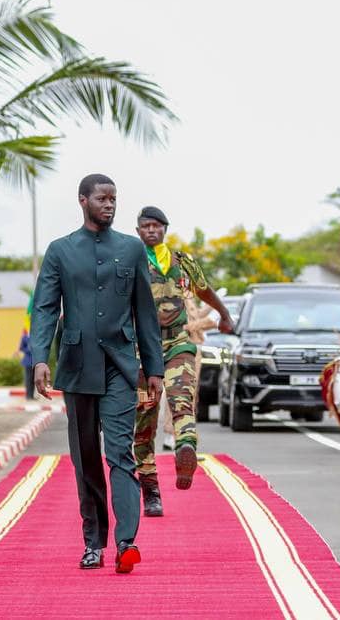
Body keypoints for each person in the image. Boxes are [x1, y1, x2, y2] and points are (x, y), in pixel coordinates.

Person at [30, 173, 164, 573]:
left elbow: (145, 312)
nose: (109, 204)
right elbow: (45, 309)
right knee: (86, 459)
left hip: (121, 367)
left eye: (114, 199)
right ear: (83, 200)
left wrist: (153, 366)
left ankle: (126, 542)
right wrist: (40, 358)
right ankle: (93, 542)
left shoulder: (132, 249)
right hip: (76, 367)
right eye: (102, 198)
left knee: (120, 453)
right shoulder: (60, 251)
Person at [132, 205, 234, 516]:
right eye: (145, 226)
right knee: (145, 419)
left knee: (182, 399)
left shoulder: (181, 261)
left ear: (165, 229)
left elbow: (204, 289)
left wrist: (224, 314)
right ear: (138, 231)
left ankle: (184, 449)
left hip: (178, 341)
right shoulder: (129, 260)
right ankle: (150, 490)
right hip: (142, 347)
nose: (151, 230)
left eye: (156, 226)